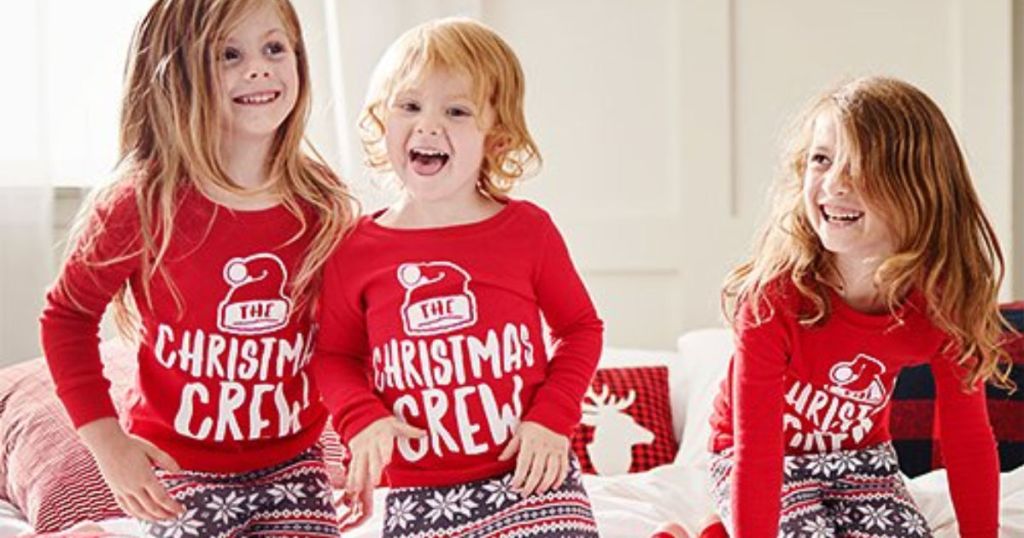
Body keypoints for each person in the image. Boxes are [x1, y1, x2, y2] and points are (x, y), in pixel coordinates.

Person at [39, 0, 355, 535]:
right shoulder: (142, 202)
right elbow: (67, 316)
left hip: (294, 465)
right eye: (229, 54)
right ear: (178, 73)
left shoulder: (323, 206)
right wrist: (108, 444)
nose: (258, 68)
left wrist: (359, 435)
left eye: (274, 48)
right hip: (178, 465)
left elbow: (347, 342)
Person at [312, 17, 603, 537]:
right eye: (410, 106)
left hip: (530, 477)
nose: (427, 125)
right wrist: (363, 417)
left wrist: (551, 419)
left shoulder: (527, 231)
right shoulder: (353, 248)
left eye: (456, 111)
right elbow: (333, 356)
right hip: (418, 491)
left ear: (497, 137)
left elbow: (581, 328)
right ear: (383, 121)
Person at [707, 76, 1010, 537]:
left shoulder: (942, 300)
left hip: (862, 461)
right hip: (760, 456)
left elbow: (968, 440)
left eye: (860, 166)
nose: (832, 184)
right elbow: (758, 451)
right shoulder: (773, 299)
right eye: (821, 160)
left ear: (918, 185)